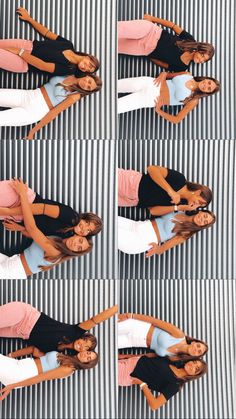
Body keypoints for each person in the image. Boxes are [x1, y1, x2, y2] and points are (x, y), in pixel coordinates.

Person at [0, 179, 92, 279]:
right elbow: (36, 237)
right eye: (80, 241)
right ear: (78, 236)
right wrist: (20, 228)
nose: (76, 244)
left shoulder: (56, 252)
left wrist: (22, 194)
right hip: (13, 262)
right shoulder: (58, 240)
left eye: (79, 248)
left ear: (75, 252)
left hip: (13, 270)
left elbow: (32, 229)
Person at [0, 7, 100, 76]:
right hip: (27, 45)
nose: (86, 68)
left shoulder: (68, 69)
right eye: (90, 65)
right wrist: (29, 19)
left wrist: (20, 52)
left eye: (88, 71)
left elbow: (42, 66)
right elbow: (47, 33)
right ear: (88, 56)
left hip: (24, 62)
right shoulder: (68, 45)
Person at [0, 73, 102, 139]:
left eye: (88, 88)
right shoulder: (70, 73)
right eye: (89, 82)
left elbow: (54, 112)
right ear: (88, 76)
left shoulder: (75, 96)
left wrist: (33, 131)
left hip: (34, 111)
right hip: (28, 95)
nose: (86, 84)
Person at [0, 301, 118, 354]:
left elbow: (35, 351)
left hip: (19, 332)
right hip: (25, 316)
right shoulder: (75, 331)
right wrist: (116, 308)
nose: (83, 345)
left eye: (86, 348)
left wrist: (11, 356)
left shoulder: (59, 353)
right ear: (82, 337)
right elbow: (95, 320)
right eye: (85, 341)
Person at [0, 180, 103, 239]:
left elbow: (40, 235)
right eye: (87, 223)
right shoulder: (72, 217)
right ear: (83, 217)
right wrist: (8, 212)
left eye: (89, 230)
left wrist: (20, 228)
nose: (84, 228)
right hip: (24, 200)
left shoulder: (68, 236)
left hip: (19, 215)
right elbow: (40, 208)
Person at [118, 15, 214, 71]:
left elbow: (162, 63)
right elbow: (173, 26)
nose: (201, 60)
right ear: (200, 49)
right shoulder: (190, 40)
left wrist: (149, 53)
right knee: (116, 30)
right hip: (151, 31)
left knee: (116, 47)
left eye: (204, 60)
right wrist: (152, 18)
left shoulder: (182, 67)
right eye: (202, 56)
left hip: (145, 49)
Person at [0, 348, 98, 401]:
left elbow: (40, 378)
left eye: (88, 358)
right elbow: (39, 355)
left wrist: (12, 386)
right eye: (88, 353)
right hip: (20, 365)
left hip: (22, 373)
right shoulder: (66, 356)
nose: (86, 355)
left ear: (85, 364)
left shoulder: (69, 369)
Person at [118, 352, 207, 410]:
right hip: (127, 360)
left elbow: (154, 405)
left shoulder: (175, 385)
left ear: (195, 375)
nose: (192, 365)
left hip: (126, 373)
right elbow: (152, 356)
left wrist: (142, 384)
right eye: (194, 362)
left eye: (196, 368)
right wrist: (129, 356)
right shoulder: (174, 361)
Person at [118, 71, 220, 120]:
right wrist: (163, 74)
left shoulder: (193, 100)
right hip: (150, 82)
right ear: (207, 79)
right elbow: (168, 74)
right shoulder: (188, 74)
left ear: (207, 93)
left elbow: (176, 120)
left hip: (150, 99)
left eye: (209, 89)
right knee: (116, 85)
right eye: (209, 83)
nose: (206, 86)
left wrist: (159, 111)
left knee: (116, 107)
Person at [118, 209, 215, 256]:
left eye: (205, 222)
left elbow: (161, 250)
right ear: (201, 212)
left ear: (202, 226)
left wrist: (156, 248)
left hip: (140, 240)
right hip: (135, 225)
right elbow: (154, 211)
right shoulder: (181, 211)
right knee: (107, 220)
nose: (202, 219)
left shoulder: (185, 233)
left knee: (109, 233)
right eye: (205, 216)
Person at [118, 166, 212, 213]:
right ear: (198, 192)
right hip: (132, 183)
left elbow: (152, 211)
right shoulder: (180, 179)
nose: (197, 205)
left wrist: (178, 208)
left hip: (131, 201)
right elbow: (152, 169)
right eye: (199, 202)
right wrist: (170, 191)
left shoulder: (180, 204)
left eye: (199, 206)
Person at [118, 313, 208, 358]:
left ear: (196, 356)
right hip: (138, 327)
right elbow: (155, 321)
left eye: (199, 352)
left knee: (108, 345)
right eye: (198, 346)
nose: (197, 349)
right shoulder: (179, 335)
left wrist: (125, 357)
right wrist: (131, 315)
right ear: (193, 342)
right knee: (108, 328)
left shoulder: (176, 357)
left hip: (135, 342)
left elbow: (149, 356)